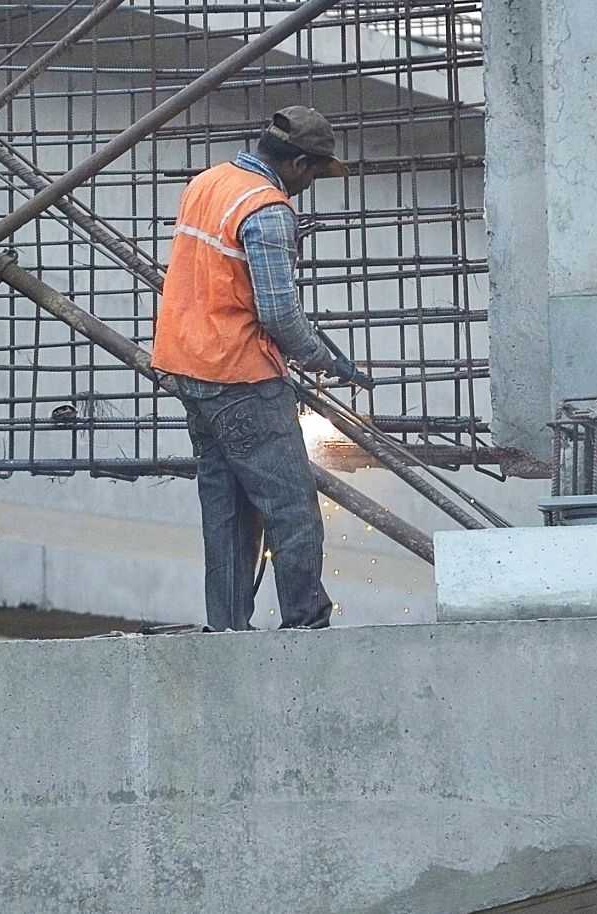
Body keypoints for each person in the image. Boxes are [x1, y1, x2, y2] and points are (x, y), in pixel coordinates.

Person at [153, 106, 373, 632]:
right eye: (314, 174)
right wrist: (324, 360)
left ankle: (228, 630)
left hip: (190, 369)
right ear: (298, 162)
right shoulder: (268, 208)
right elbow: (277, 312)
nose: (309, 185)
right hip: (240, 376)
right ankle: (306, 626)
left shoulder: (210, 182)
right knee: (291, 508)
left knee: (226, 508)